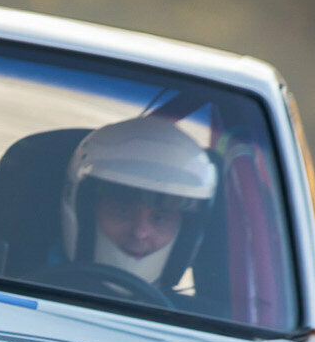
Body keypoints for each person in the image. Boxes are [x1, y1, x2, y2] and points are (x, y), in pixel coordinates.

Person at [55, 114, 218, 288]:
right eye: (123, 211)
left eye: (159, 218)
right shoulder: (27, 281)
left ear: (186, 231)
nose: (140, 232)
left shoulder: (197, 313)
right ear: (84, 210)